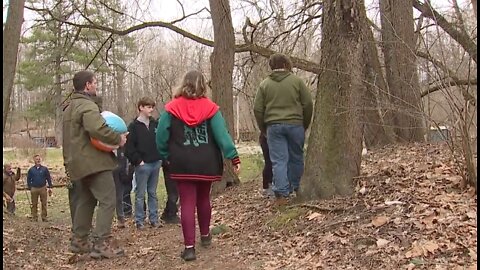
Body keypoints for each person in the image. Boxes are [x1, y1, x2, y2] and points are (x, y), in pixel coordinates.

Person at [156, 70, 241, 261]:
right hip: (206, 162)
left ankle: (189, 248)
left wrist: (165, 155)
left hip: (181, 162)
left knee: (186, 202)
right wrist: (233, 157)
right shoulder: (211, 109)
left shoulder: (171, 109)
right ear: (203, 85)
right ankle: (205, 236)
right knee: (203, 199)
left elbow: (160, 135)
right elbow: (222, 136)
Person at [62, 70, 128, 259]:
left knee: (86, 200)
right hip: (94, 162)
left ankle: (80, 240)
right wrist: (118, 139)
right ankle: (102, 242)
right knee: (108, 200)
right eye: (95, 82)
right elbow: (97, 128)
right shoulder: (87, 106)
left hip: (77, 163)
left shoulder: (69, 108)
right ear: (88, 85)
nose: (96, 85)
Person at [253, 53, 313, 205]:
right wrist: (304, 123)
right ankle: (297, 188)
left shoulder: (265, 84)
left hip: (273, 126)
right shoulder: (297, 82)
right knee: (296, 157)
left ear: (272, 66)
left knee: (279, 160)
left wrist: (264, 127)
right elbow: (308, 104)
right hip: (295, 124)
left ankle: (281, 194)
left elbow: (257, 109)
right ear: (287, 65)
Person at [125, 97, 162, 230]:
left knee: (152, 193)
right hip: (142, 165)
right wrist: (138, 160)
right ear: (140, 107)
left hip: (155, 163)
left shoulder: (155, 124)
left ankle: (154, 219)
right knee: (140, 194)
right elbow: (129, 147)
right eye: (148, 107)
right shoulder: (133, 126)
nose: (151, 109)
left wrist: (160, 157)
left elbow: (160, 140)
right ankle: (139, 220)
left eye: (152, 107)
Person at [26, 155, 53, 221]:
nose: (38, 160)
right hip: (34, 188)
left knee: (44, 203)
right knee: (34, 203)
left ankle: (44, 217)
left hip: (43, 188)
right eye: (36, 159)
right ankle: (34, 217)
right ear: (34, 160)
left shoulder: (44, 169)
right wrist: (30, 187)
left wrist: (50, 187)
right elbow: (28, 179)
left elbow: (48, 178)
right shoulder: (31, 170)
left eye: (39, 159)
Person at [113, 146, 129, 228]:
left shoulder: (122, 149)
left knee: (119, 198)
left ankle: (121, 218)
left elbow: (126, 163)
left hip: (120, 176)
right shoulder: (107, 148)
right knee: (107, 200)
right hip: (109, 175)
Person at [160, 160, 180, 224]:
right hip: (170, 166)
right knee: (173, 193)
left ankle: (167, 213)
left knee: (174, 192)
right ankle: (171, 214)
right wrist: (166, 161)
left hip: (176, 166)